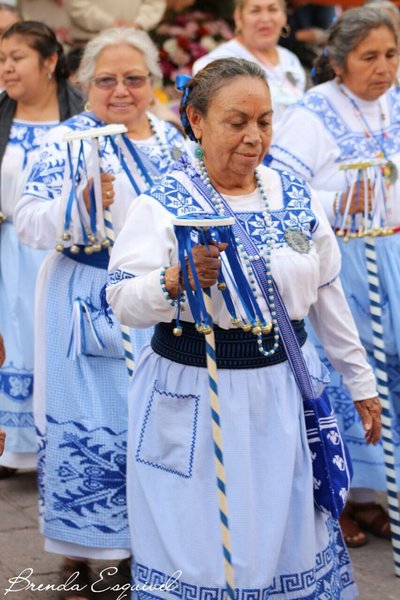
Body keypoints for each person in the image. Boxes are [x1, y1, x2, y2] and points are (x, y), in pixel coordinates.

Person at [106, 57, 381, 599]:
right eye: (238, 122)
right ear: (197, 120)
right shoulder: (163, 204)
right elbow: (121, 299)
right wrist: (175, 280)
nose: (255, 137)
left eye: (265, 121)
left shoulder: (293, 196)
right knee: (201, 535)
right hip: (192, 392)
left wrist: (361, 381)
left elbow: (327, 292)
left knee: (284, 521)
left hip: (281, 390)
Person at [14, 27, 185, 600]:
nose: (120, 90)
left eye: (133, 79)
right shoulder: (68, 141)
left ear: (152, 85)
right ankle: (89, 554)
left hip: (161, 299)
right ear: (85, 84)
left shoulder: (173, 141)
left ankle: (150, 546)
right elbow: (30, 218)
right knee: (92, 420)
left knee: (152, 421)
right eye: (106, 80)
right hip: (83, 294)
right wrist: (78, 203)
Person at [269, 5, 400, 547]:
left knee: (391, 374)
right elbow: (278, 189)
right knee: (347, 377)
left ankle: (377, 492)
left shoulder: (396, 102)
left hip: (392, 255)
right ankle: (338, 496)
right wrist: (339, 200)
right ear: (339, 62)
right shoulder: (312, 114)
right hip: (342, 263)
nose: (383, 67)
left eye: (391, 54)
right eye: (369, 56)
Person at [0, 21, 83, 479]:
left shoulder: (79, 121)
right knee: (14, 342)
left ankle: (60, 442)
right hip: (10, 251)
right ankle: (13, 447)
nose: (7, 68)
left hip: (63, 252)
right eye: (2, 59)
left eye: (17, 58)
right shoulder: (1, 115)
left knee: (57, 344)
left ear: (50, 62)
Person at [192, 0, 306, 126]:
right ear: (238, 17)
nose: (265, 18)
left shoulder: (290, 59)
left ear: (284, 16)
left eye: (273, 9)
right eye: (255, 11)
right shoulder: (216, 64)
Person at [65, 0, 166, 45]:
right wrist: (110, 24)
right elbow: (75, 4)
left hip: (133, 43)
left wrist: (138, 23)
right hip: (88, 44)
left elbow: (154, 3)